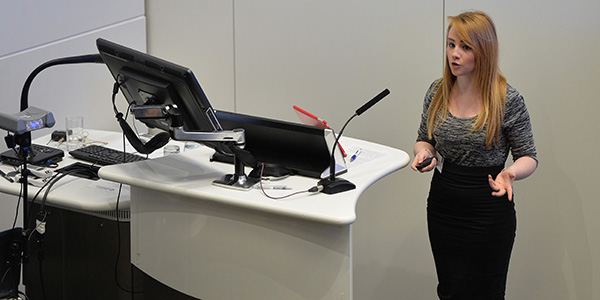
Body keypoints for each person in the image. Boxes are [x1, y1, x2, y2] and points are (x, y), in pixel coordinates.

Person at [411, 11, 538, 299]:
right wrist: (423, 154)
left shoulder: (507, 99)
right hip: (443, 206)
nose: (455, 54)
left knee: (486, 293)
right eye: (451, 44)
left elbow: (528, 156)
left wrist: (510, 173)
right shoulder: (437, 91)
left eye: (466, 47)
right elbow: (424, 140)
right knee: (450, 290)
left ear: (484, 51)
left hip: (488, 210)